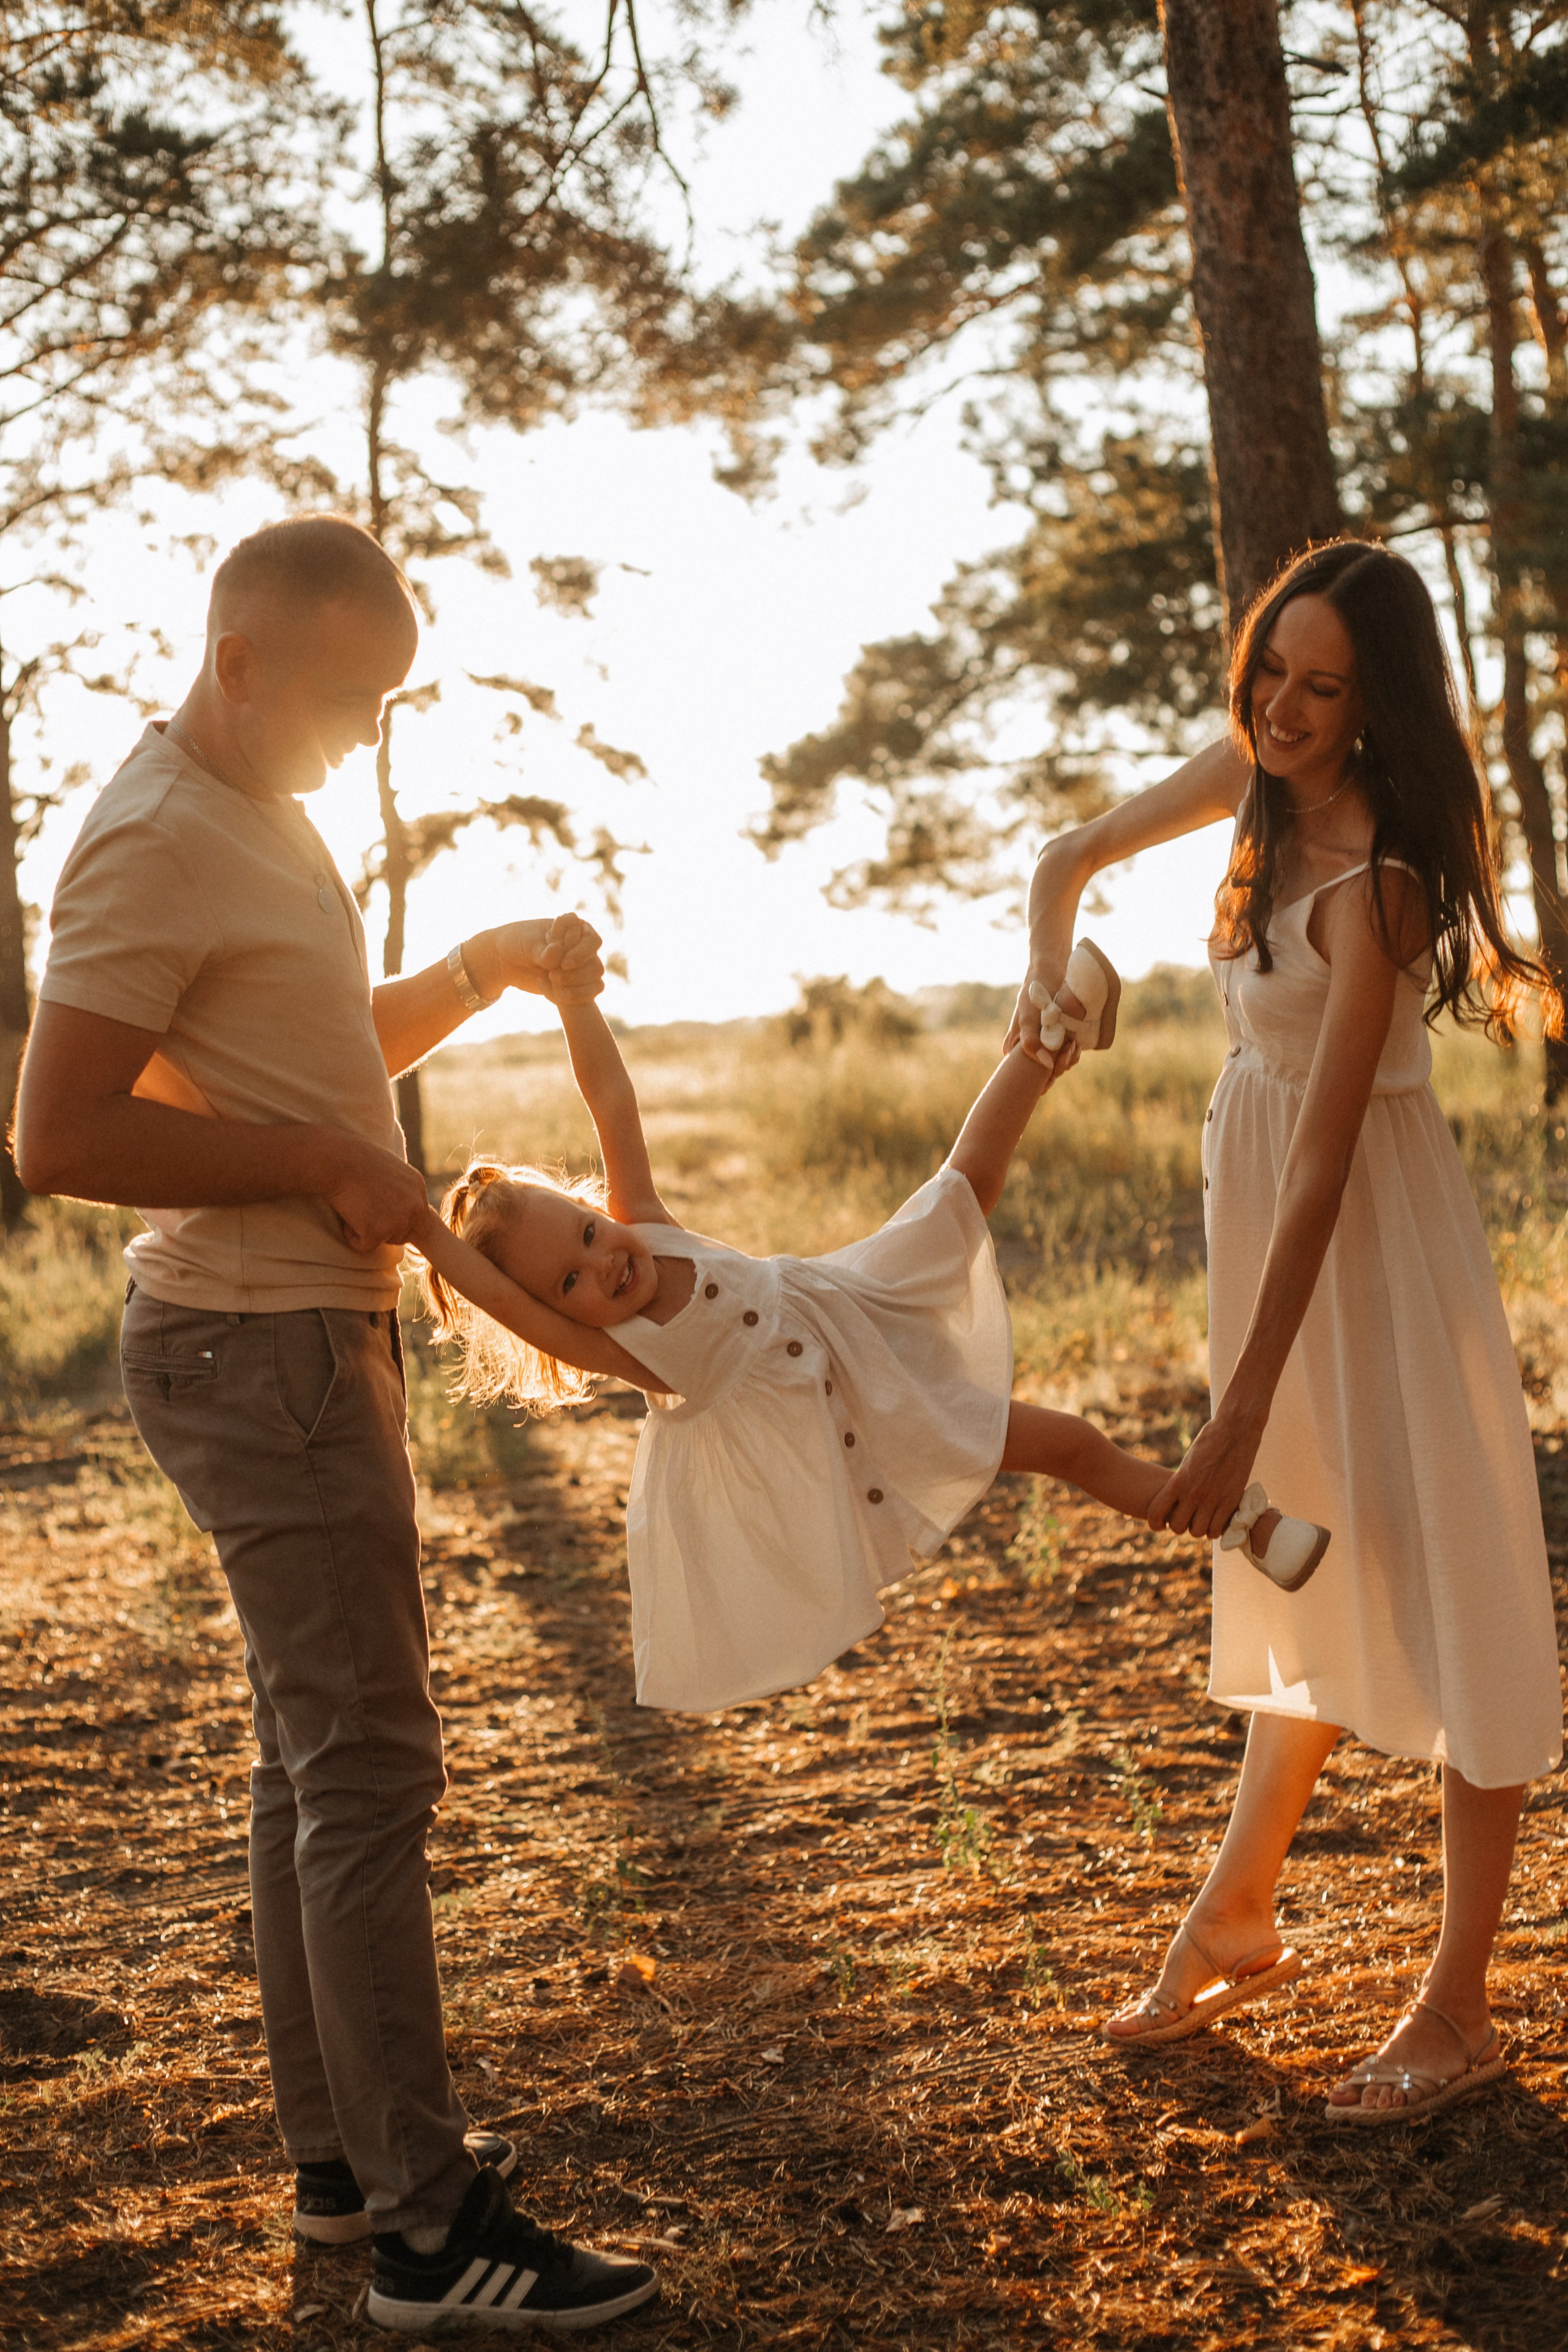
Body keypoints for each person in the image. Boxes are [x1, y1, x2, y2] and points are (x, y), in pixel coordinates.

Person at [14, 515, 660, 2332]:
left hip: (295, 1339)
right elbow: (56, 1136)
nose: (367, 738)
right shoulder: (147, 838)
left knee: (311, 1764)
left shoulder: (256, 814)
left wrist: (474, 966)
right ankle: (428, 2231)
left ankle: (337, 2165)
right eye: (350, 700)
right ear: (240, 664)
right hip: (256, 1348)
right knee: (370, 1767)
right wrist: (313, 1167)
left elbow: (308, 1046)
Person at [1014, 538, 1564, 2122]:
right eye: (1273, 671)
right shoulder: (1254, 773)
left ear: (1378, 704)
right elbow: (1067, 852)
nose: (1287, 709)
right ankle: (1240, 1910)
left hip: (1371, 1256)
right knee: (1296, 1559)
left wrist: (1239, 1407)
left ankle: (1459, 2006)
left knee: (1453, 1576)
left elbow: (1331, 1159)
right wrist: (1047, 984)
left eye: (1327, 689)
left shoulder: (1378, 882)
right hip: (1261, 1234)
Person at [410, 957, 1328, 1716]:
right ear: (562, 1318)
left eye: (584, 1234)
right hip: (869, 1415)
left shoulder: (641, 1221)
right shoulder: (626, 1349)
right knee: (1073, 1445)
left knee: (961, 1191)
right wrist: (424, 1236)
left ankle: (1051, 1038)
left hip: (850, 1305)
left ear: (590, 1207)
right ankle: (1246, 1523)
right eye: (572, 1283)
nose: (602, 1264)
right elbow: (511, 1305)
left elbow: (612, 1103)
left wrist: (576, 1001)